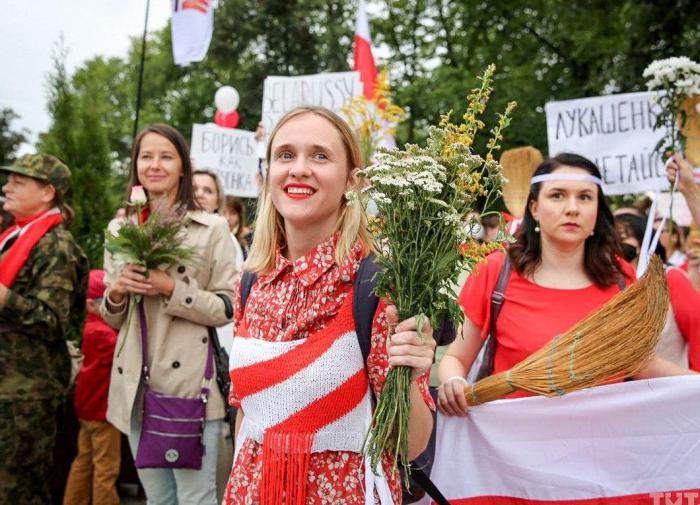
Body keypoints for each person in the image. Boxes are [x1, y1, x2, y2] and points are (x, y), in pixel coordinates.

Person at [224, 106, 436, 504]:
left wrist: (409, 369)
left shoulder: (378, 284)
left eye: (320, 155)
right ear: (268, 173)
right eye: (285, 155)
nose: (299, 168)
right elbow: (246, 416)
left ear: (351, 181)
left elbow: (409, 447)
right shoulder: (251, 282)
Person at [438, 153, 691, 417]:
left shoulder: (619, 276)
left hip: (603, 443)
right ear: (534, 208)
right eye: (557, 195)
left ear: (597, 210)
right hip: (515, 444)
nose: (572, 208)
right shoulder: (496, 269)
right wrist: (454, 382)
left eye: (585, 197)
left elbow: (638, 362)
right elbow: (456, 359)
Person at [101, 124, 237, 505]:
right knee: (157, 498)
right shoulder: (119, 229)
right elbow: (114, 320)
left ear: (183, 167)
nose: (154, 164)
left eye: (165, 156)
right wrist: (116, 292)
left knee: (196, 498)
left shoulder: (212, 229)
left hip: (190, 388)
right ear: (135, 165)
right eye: (146, 156)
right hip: (135, 388)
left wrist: (171, 289)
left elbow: (227, 307)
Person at [0, 154, 89, 504]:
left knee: (17, 491)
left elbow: (53, 320)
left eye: (19, 182)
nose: (7, 187)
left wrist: (6, 299)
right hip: (9, 387)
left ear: (48, 192)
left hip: (25, 395)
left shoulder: (56, 245)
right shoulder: (13, 236)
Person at [63, 270, 121, 505]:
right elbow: (125, 351)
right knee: (106, 469)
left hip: (87, 411)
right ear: (91, 304)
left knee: (83, 461)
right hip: (103, 414)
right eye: (103, 301)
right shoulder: (103, 334)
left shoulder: (90, 328)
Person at [616, 213, 700, 371]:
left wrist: (695, 386)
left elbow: (698, 328)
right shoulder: (607, 283)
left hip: (674, 387)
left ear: (642, 241)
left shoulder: (669, 278)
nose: (616, 244)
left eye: (623, 236)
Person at [222, 195, 247, 265]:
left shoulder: (245, 246)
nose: (227, 218)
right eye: (223, 212)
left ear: (239, 217)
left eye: (232, 213)